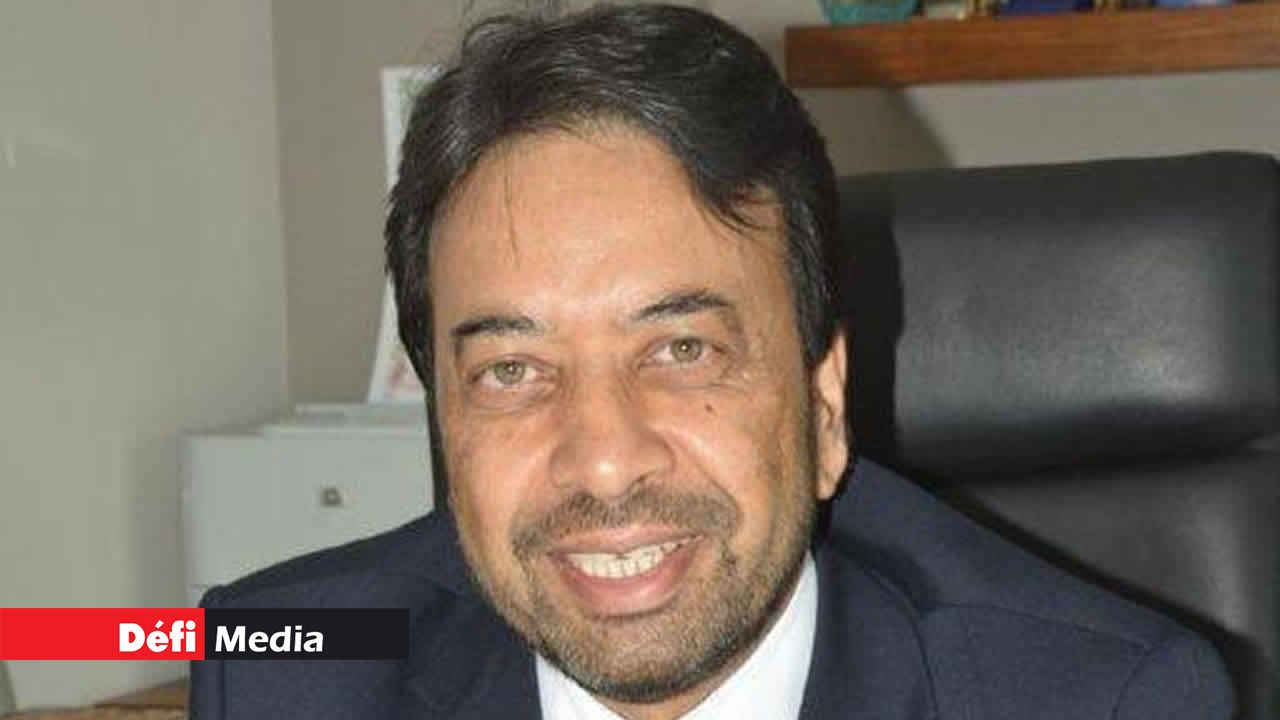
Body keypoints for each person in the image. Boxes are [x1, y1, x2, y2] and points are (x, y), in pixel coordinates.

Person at [190, 5, 1234, 718]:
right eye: (512, 371)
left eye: (681, 350)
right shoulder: (282, 669)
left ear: (824, 406)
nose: (604, 462)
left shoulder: (1091, 700)